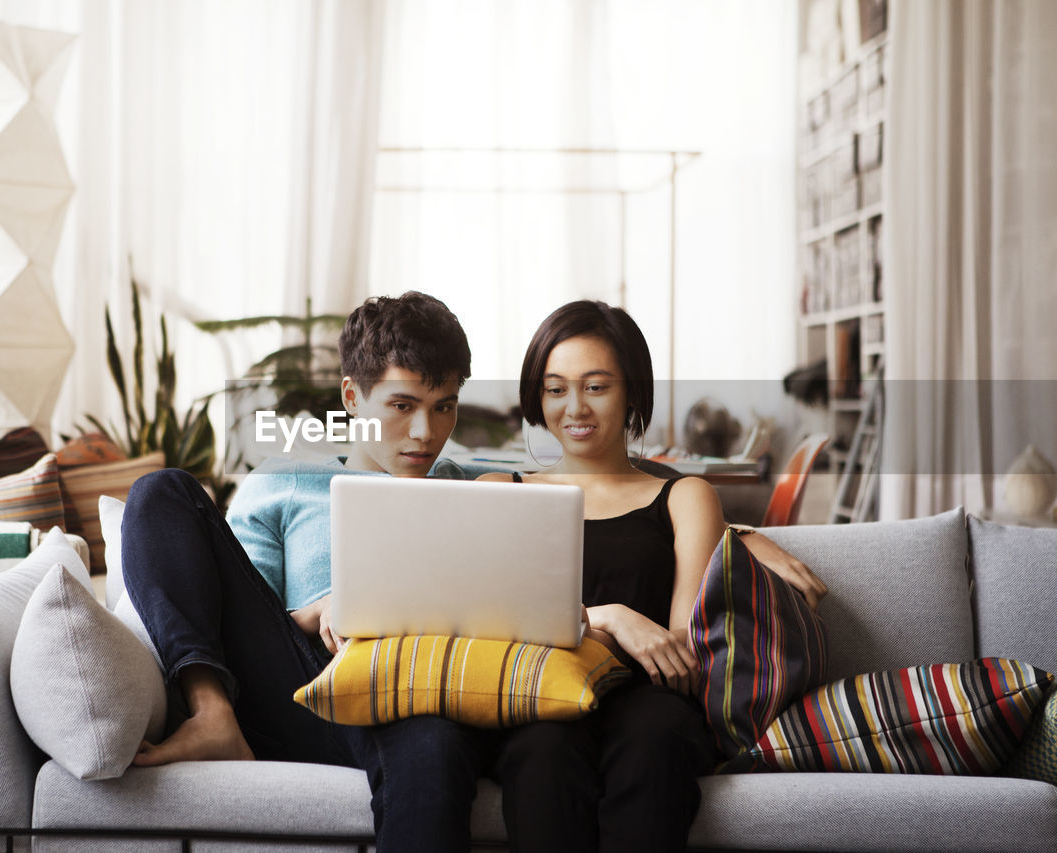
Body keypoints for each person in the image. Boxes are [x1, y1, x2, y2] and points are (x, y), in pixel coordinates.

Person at [120, 291, 496, 852]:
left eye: (444, 405)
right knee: (159, 491)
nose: (425, 431)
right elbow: (241, 617)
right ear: (353, 395)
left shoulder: (476, 489)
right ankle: (212, 716)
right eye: (402, 405)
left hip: (414, 696)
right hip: (303, 685)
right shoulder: (287, 482)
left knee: (435, 747)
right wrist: (320, 611)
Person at [480, 300, 827, 853]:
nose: (575, 407)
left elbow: (682, 653)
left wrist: (737, 533)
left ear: (633, 392)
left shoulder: (685, 497)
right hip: (539, 692)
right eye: (555, 389)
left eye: (596, 386)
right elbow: (487, 627)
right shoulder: (502, 494)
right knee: (541, 749)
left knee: (654, 737)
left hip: (652, 697)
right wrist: (610, 619)